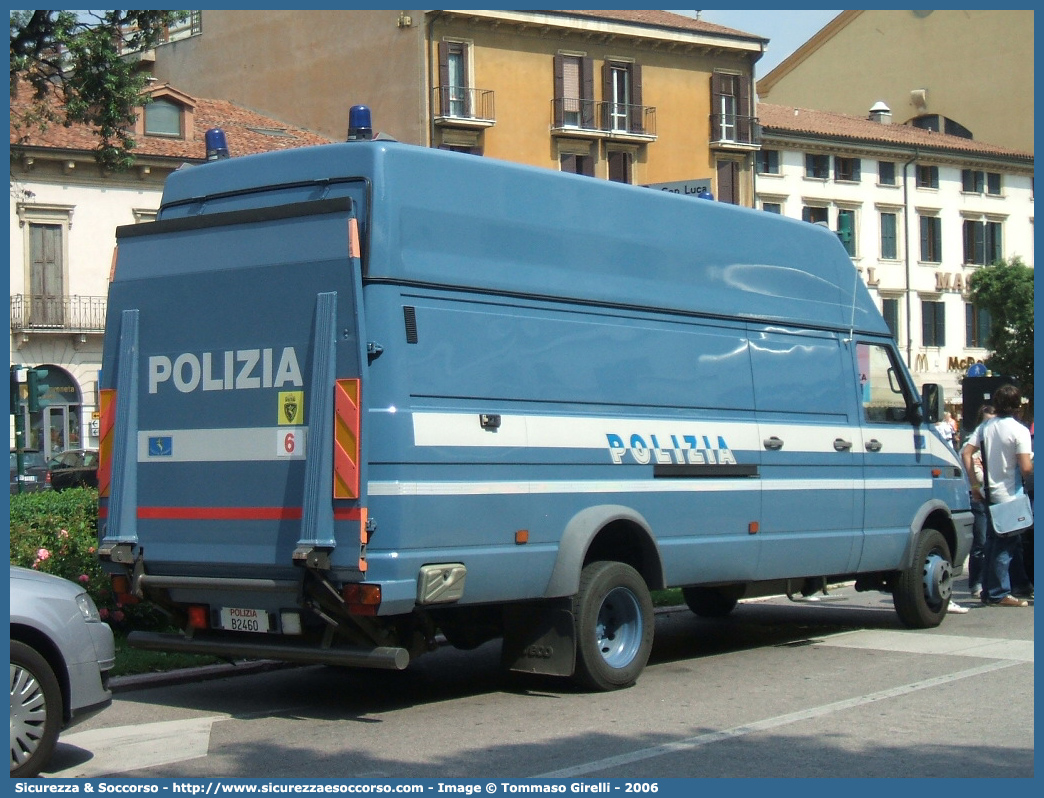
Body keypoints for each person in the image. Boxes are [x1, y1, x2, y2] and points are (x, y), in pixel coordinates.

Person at [961, 384, 1034, 607]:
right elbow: (1025, 467)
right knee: (1006, 544)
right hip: (1010, 493)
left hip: (988, 492)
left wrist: (974, 484)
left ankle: (988, 590)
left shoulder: (986, 427)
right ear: (1017, 406)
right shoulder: (1019, 430)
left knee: (992, 543)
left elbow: (966, 452)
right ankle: (999, 592)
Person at [962, 405, 995, 597]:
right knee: (981, 542)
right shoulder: (971, 446)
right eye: (986, 422)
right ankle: (976, 583)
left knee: (997, 542)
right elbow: (978, 474)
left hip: (994, 496)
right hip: (978, 497)